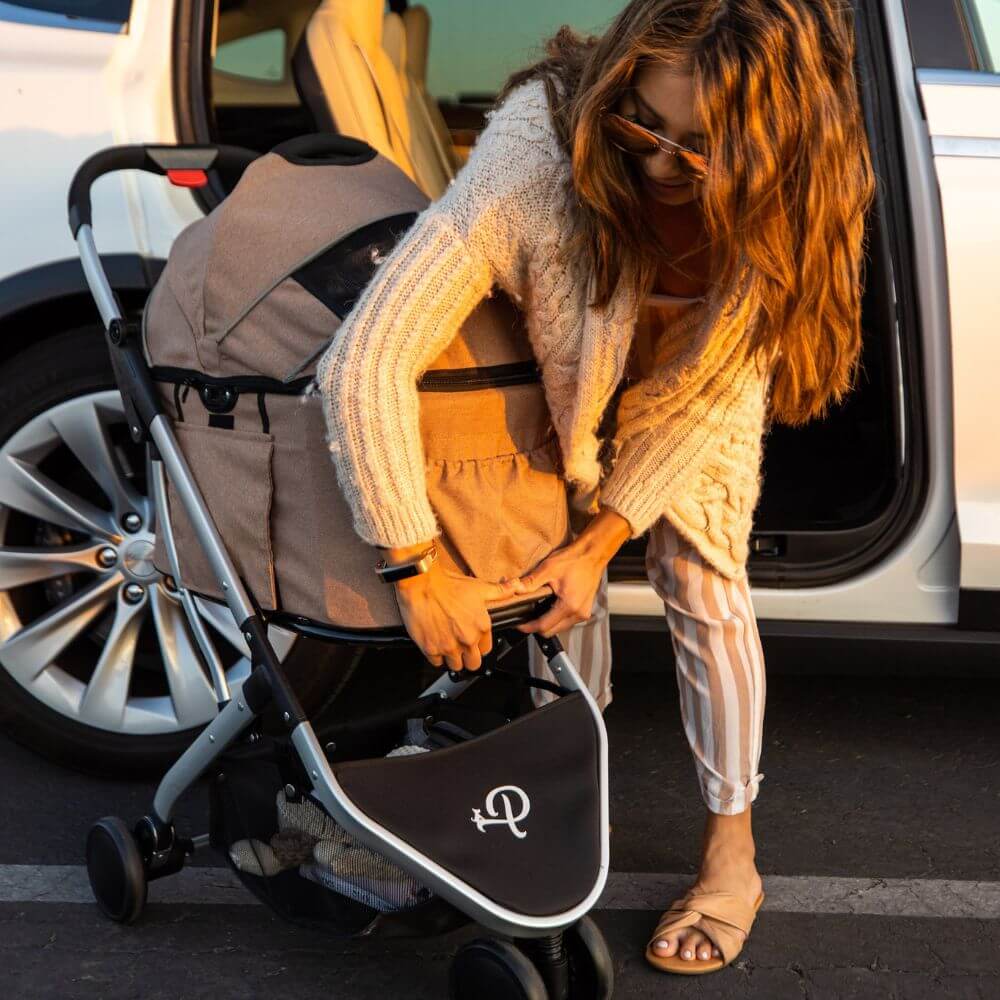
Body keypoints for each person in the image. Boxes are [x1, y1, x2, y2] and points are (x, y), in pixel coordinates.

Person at [316, 0, 874, 976]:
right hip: (560, 366)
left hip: (685, 382)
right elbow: (360, 358)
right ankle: (548, 816)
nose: (658, 163)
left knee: (704, 580)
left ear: (770, 153)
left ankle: (731, 853)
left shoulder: (796, 198)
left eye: (698, 152)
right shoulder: (533, 157)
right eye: (638, 125)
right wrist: (414, 564)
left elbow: (707, 392)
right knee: (552, 600)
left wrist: (605, 534)